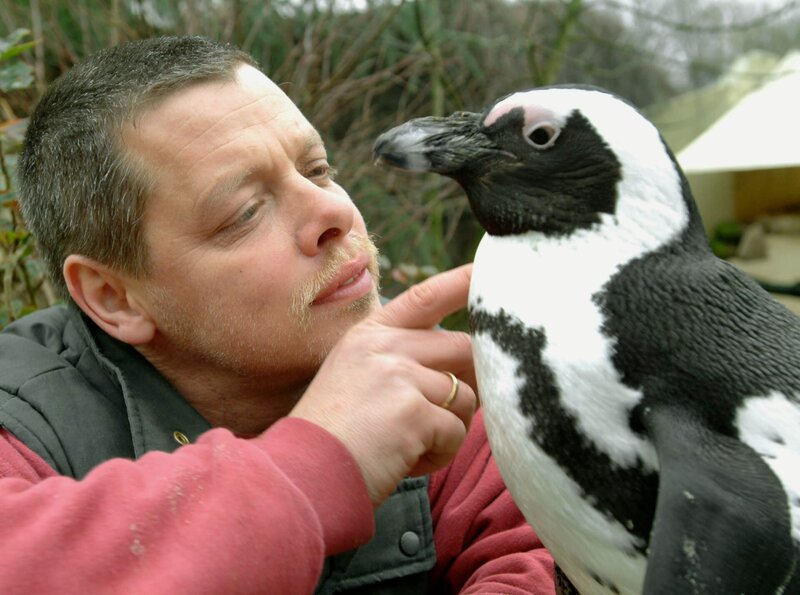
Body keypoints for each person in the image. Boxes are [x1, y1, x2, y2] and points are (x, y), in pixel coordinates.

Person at [0, 35, 554, 594]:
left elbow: (535, 563)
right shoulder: (21, 421)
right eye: (244, 212)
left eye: (316, 170)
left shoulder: (436, 381)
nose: (334, 211)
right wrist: (321, 463)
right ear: (113, 297)